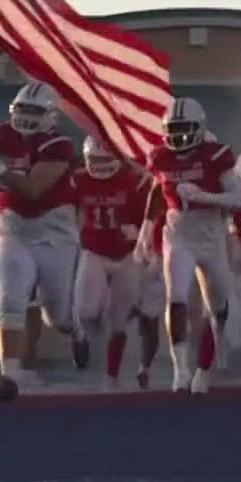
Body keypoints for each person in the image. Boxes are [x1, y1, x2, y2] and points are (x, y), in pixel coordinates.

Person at [0, 82, 79, 400]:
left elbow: (32, 190)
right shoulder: (2, 133)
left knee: (58, 316)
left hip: (54, 234)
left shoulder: (58, 144)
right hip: (15, 230)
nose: (25, 117)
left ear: (50, 115)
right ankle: (9, 376)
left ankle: (76, 329)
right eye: (21, 109)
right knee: (10, 302)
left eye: (34, 111)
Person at [141, 97, 241, 394]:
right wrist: (145, 234)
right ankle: (181, 368)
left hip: (211, 233)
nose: (179, 135)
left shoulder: (216, 155)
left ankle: (207, 364)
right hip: (179, 232)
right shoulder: (161, 156)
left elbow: (237, 199)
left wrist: (204, 196)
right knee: (177, 297)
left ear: (199, 128)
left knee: (217, 306)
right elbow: (157, 193)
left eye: (185, 128)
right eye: (173, 128)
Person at [71, 136, 157, 391]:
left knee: (118, 321)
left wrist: (141, 232)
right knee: (86, 311)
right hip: (94, 252)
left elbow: (154, 213)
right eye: (95, 160)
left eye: (105, 159)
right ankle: (80, 334)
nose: (99, 165)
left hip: (126, 255)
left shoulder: (134, 179)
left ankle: (111, 377)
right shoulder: (78, 180)